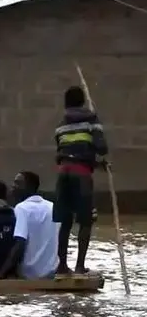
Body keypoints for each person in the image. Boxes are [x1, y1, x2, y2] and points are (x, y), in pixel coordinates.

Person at [54, 86, 109, 274]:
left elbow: (66, 151)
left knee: (65, 220)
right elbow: (102, 148)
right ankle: (79, 266)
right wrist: (97, 126)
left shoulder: (60, 125)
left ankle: (61, 266)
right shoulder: (91, 120)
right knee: (85, 220)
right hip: (81, 174)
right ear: (83, 101)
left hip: (63, 173)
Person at [0, 171, 59, 280]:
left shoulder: (22, 208)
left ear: (29, 187)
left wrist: (1, 273)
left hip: (28, 273)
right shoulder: (52, 207)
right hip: (51, 272)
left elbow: (20, 243)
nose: (13, 186)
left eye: (18, 183)